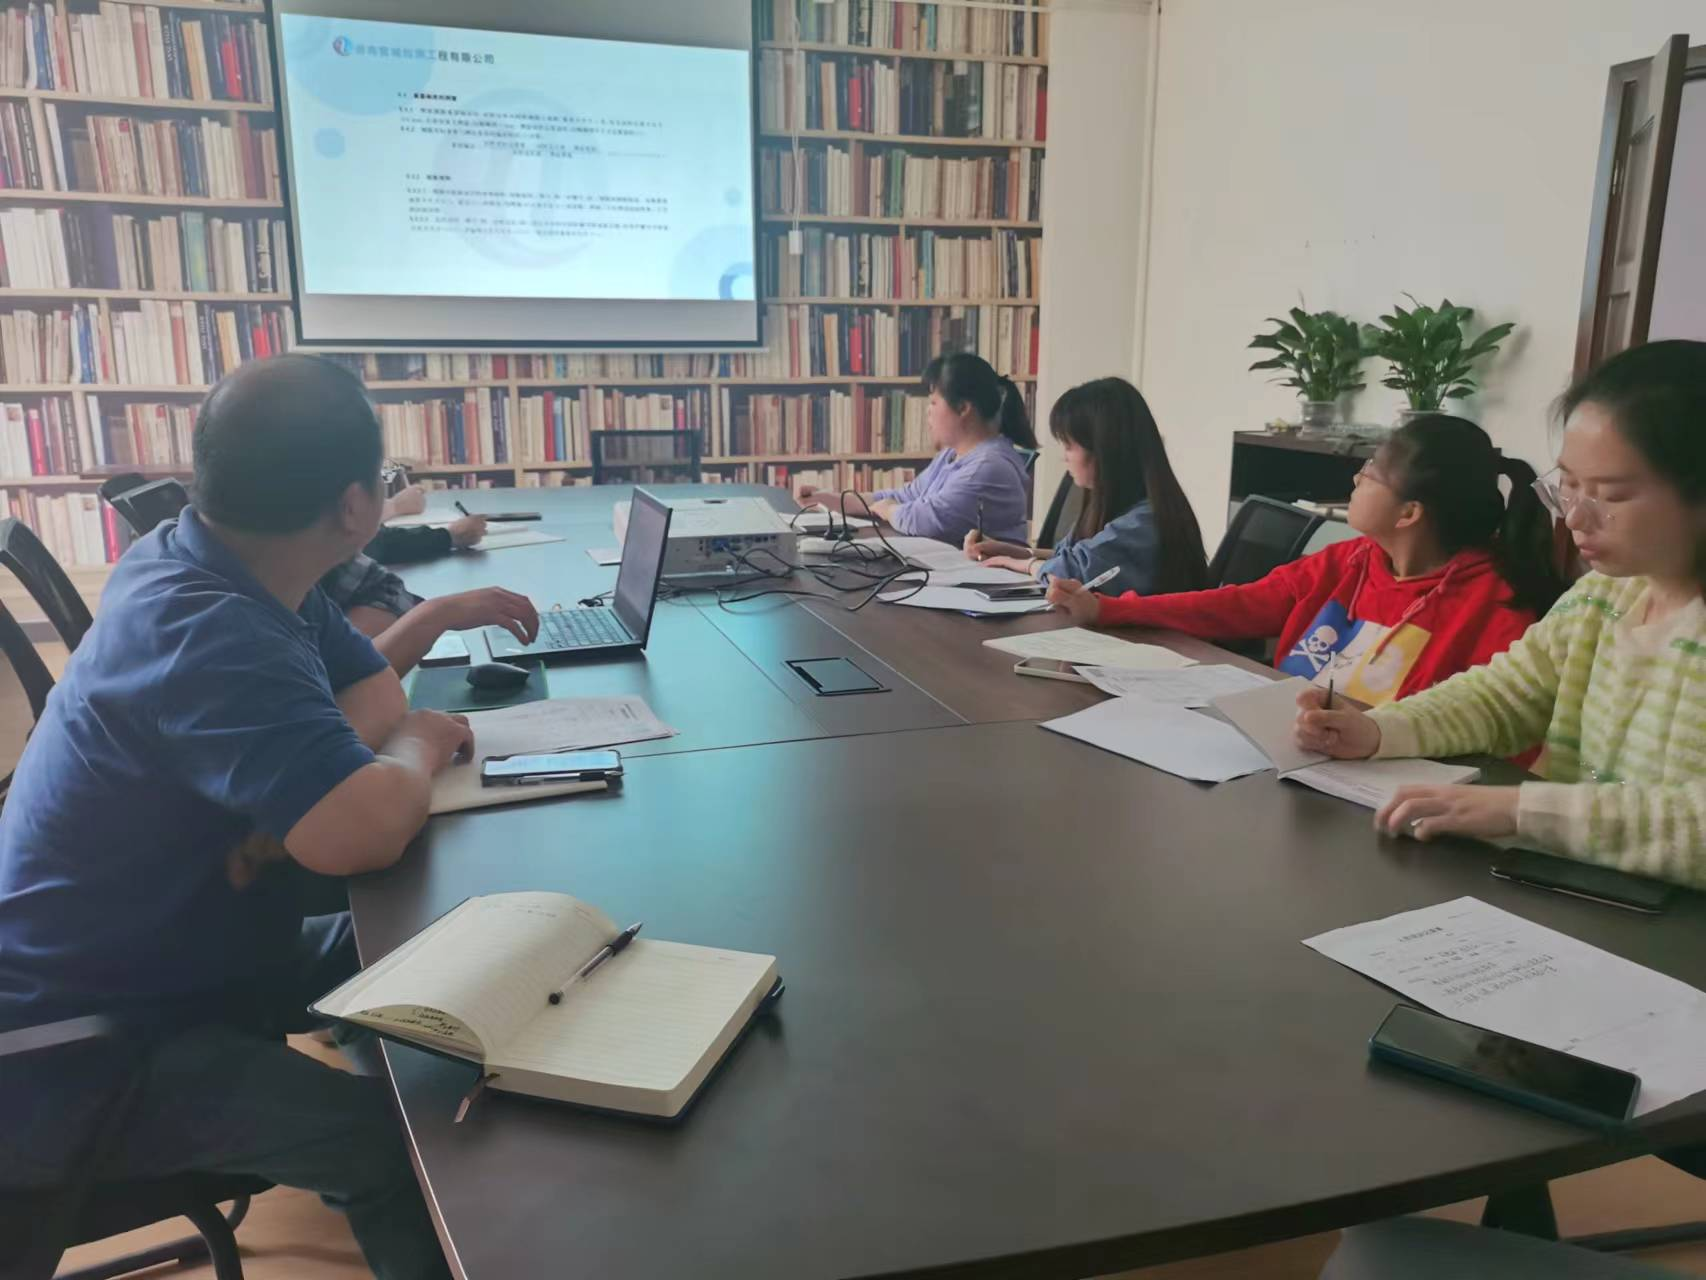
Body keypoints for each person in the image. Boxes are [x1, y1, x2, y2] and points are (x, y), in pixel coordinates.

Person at [0, 354, 470, 1279]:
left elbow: (372, 690)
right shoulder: (207, 628)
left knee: (437, 934)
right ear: (355, 507)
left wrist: (336, 778)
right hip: (78, 1054)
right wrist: (415, 745)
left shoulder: (222, 562)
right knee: (395, 1153)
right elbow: (362, 824)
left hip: (176, 953)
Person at [1294, 340, 1706, 886]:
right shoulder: (1603, 598)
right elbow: (1502, 696)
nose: (1575, 518)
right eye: (1569, 486)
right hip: (1573, 887)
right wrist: (1377, 730)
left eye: (1611, 495)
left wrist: (1522, 810)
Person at [1048, 414, 1563, 707]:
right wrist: (1111, 609)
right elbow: (1235, 605)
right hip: (1287, 752)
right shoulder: (1349, 561)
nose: (1355, 480)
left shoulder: (1495, 606)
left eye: (1370, 474)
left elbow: (1496, 731)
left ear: (1409, 512)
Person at [962, 376, 1209, 594]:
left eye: (1069, 446)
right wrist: (1009, 551)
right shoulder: (1115, 506)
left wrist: (1022, 564)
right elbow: (1073, 555)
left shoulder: (1145, 523)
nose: (1064, 457)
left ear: (1105, 450)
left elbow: (1072, 573)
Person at [796, 352, 1035, 544]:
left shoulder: (988, 466)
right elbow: (907, 496)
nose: (928, 411)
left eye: (934, 402)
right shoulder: (951, 455)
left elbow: (930, 520)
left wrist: (890, 510)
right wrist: (832, 499)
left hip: (987, 581)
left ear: (963, 408)